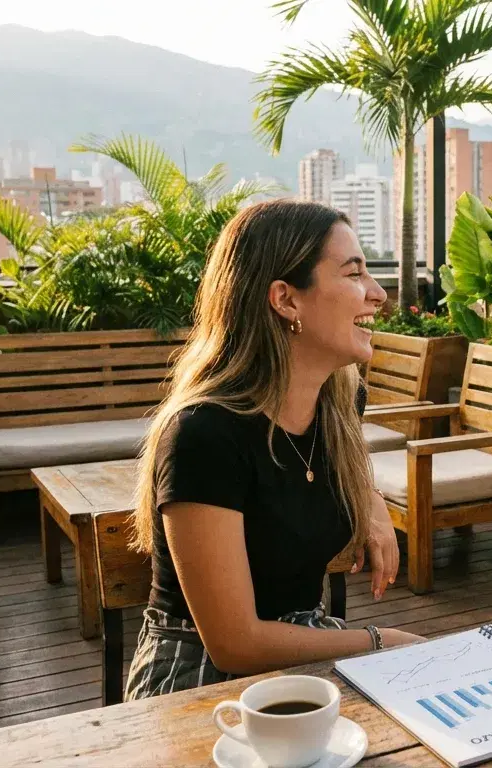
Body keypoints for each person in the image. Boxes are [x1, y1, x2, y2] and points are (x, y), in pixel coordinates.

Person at [124, 199, 422, 699]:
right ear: (285, 299)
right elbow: (234, 644)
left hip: (304, 653)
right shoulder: (204, 434)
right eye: (354, 274)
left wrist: (368, 499)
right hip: (198, 680)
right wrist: (378, 640)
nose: (377, 294)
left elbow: (322, 473)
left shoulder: (338, 405)